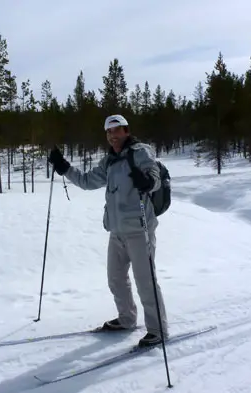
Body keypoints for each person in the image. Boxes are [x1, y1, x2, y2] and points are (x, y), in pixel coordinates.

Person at [48, 114, 168, 347]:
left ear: (126, 131)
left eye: (116, 130)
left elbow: (155, 179)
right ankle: (127, 319)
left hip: (139, 229)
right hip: (116, 231)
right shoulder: (110, 161)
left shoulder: (140, 152)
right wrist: (64, 167)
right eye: (108, 132)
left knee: (145, 281)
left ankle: (158, 330)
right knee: (115, 279)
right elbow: (86, 181)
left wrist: (146, 182)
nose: (112, 136)